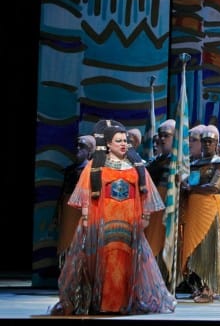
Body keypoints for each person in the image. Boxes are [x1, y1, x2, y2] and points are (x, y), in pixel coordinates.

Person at [50, 120, 176, 315]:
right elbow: (85, 192)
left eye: (125, 140)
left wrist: (146, 217)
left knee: (127, 261)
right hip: (103, 220)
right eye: (119, 141)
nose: (124, 144)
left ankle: (124, 302)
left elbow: (146, 193)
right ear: (108, 143)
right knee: (106, 261)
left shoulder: (136, 166)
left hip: (129, 222)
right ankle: (105, 303)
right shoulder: (95, 166)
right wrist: (85, 218)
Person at [180, 124, 220, 303]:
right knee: (196, 249)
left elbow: (214, 186)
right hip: (194, 209)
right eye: (204, 141)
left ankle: (209, 289)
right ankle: (200, 286)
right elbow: (191, 185)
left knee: (209, 246)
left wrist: (191, 188)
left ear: (216, 143)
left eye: (210, 141)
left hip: (210, 208)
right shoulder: (195, 164)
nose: (207, 144)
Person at [55, 135, 95, 268]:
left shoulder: (91, 171)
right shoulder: (70, 170)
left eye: (82, 146)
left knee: (81, 245)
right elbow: (62, 194)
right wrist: (57, 212)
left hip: (81, 212)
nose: (77, 149)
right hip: (68, 213)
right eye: (77, 145)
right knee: (66, 244)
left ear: (90, 150)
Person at [144, 119, 175, 260]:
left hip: (167, 206)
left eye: (166, 135)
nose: (162, 138)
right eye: (161, 135)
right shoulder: (154, 161)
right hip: (151, 206)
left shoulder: (178, 162)